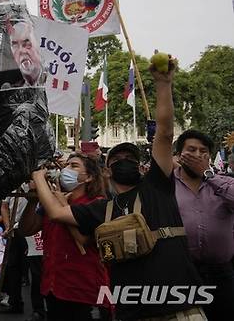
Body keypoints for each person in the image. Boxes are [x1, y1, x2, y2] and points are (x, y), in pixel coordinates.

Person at [31, 58, 205, 320]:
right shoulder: (102, 208)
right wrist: (38, 177)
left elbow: (166, 133)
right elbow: (56, 213)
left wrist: (163, 84)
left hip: (180, 310)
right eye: (118, 160)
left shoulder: (158, 188)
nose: (126, 163)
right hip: (132, 312)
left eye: (132, 160)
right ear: (108, 169)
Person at [20, 153, 109, 320]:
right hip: (53, 287)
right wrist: (32, 199)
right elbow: (26, 229)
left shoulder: (97, 204)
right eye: (66, 165)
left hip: (83, 290)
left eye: (74, 166)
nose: (66, 170)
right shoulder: (51, 202)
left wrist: (39, 179)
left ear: (89, 177)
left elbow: (82, 237)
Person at [173, 129, 234, 320]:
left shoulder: (223, 183)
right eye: (191, 150)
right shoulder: (165, 187)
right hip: (181, 274)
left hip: (221, 274)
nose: (198, 155)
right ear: (179, 155)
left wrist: (207, 175)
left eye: (203, 151)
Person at [8, 20, 43, 86]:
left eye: (27, 44)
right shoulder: (9, 89)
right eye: (15, 46)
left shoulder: (55, 79)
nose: (21, 51)